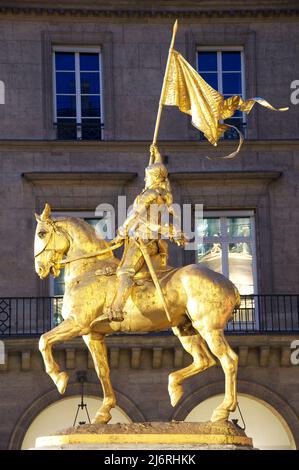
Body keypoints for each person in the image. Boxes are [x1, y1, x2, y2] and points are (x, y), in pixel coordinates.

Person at [104, 145, 186, 322]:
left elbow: (134, 214)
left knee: (125, 272)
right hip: (156, 244)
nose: (145, 178)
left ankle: (117, 308)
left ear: (153, 178)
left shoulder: (148, 195)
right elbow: (174, 211)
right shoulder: (165, 194)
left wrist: (121, 231)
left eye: (147, 176)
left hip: (142, 240)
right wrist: (157, 157)